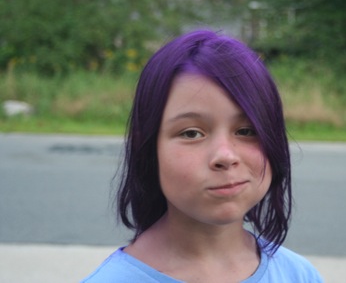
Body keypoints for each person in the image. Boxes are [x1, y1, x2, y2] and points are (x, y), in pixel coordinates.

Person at [82, 29, 323, 283]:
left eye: (246, 130)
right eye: (191, 133)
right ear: (149, 149)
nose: (225, 155)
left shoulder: (298, 275)